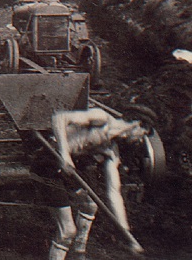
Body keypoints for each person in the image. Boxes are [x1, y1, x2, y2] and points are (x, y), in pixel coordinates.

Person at [33, 108, 147, 260]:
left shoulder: (111, 150)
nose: (140, 140)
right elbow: (59, 117)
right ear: (137, 124)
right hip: (47, 163)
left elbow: (114, 192)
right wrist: (64, 154)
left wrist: (126, 233)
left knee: (90, 205)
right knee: (67, 231)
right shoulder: (101, 119)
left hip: (68, 169)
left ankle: (79, 253)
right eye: (143, 134)